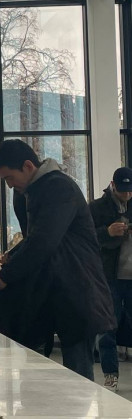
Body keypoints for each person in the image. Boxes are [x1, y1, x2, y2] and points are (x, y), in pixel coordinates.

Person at [0, 139, 114, 381]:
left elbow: (44, 240)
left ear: (27, 166)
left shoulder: (59, 188)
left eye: (9, 178)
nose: (10, 185)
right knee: (37, 373)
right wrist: (14, 256)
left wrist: (6, 275)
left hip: (77, 287)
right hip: (50, 288)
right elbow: (37, 238)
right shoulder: (27, 192)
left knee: (77, 376)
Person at [90, 166, 132, 391]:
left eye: (131, 190)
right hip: (109, 276)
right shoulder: (97, 207)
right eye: (123, 190)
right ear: (113, 185)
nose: (127, 194)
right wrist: (107, 232)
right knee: (107, 326)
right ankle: (110, 374)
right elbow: (85, 237)